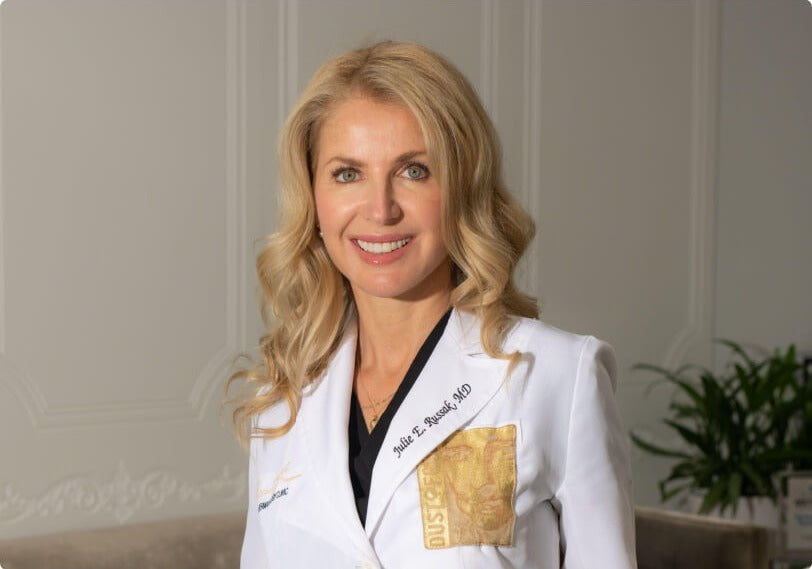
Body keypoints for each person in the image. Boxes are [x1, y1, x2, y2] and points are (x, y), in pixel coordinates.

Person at [229, 40, 637, 569]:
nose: (380, 210)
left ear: (462, 185)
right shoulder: (281, 401)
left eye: (414, 171)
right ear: (314, 197)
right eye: (348, 173)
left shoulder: (557, 376)